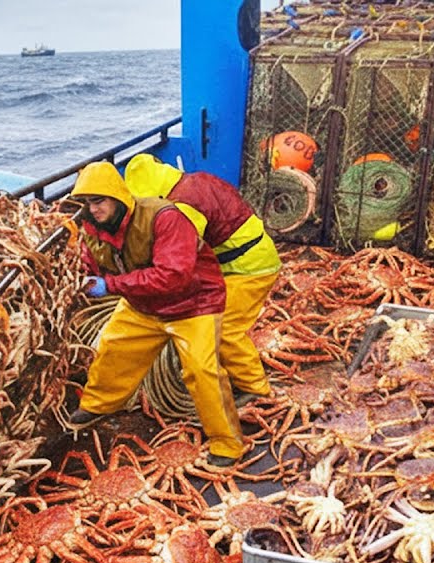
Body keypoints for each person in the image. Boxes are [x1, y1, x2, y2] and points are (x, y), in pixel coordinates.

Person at [67, 161, 245, 466]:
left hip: (193, 304)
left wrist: (110, 285)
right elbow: (91, 262)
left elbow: (174, 275)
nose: (93, 210)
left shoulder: (164, 217)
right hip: (143, 304)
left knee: (202, 371)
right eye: (86, 203)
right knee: (112, 348)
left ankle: (227, 443)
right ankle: (97, 404)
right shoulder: (92, 229)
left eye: (99, 201)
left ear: (119, 197)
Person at [124, 153, 282, 406]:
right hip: (246, 257)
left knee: (226, 329)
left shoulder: (183, 205)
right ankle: (233, 369)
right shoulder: (195, 179)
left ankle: (255, 386)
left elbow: (180, 255)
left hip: (250, 268)